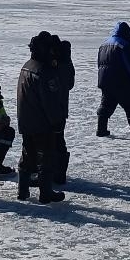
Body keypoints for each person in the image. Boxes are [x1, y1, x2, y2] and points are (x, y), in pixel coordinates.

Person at [16, 31, 66, 203]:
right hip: (42, 122)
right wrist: (56, 121)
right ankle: (46, 193)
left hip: (26, 120)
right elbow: (49, 101)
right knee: (47, 156)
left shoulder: (27, 66)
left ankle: (22, 190)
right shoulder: (45, 71)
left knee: (28, 153)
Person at [96, 21, 130, 138]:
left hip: (105, 80)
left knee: (106, 104)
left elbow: (99, 64)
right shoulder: (123, 45)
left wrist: (102, 79)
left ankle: (101, 129)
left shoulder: (104, 44)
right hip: (121, 81)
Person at [51, 35, 75, 184]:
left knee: (53, 140)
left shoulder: (56, 63)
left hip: (52, 109)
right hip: (60, 107)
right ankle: (58, 174)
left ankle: (56, 174)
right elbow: (70, 84)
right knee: (58, 139)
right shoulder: (66, 62)